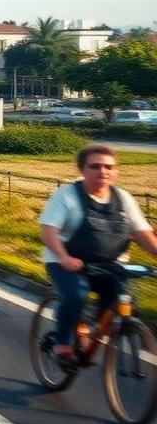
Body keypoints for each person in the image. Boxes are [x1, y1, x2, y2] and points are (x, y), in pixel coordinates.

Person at [39, 144, 157, 363]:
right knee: (76, 295)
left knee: (119, 302)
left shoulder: (123, 198)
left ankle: (91, 332)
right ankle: (62, 343)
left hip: (110, 265)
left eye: (109, 167)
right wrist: (64, 257)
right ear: (82, 169)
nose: (103, 171)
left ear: (116, 171)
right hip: (66, 262)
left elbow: (142, 233)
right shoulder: (66, 196)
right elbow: (49, 230)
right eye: (95, 166)